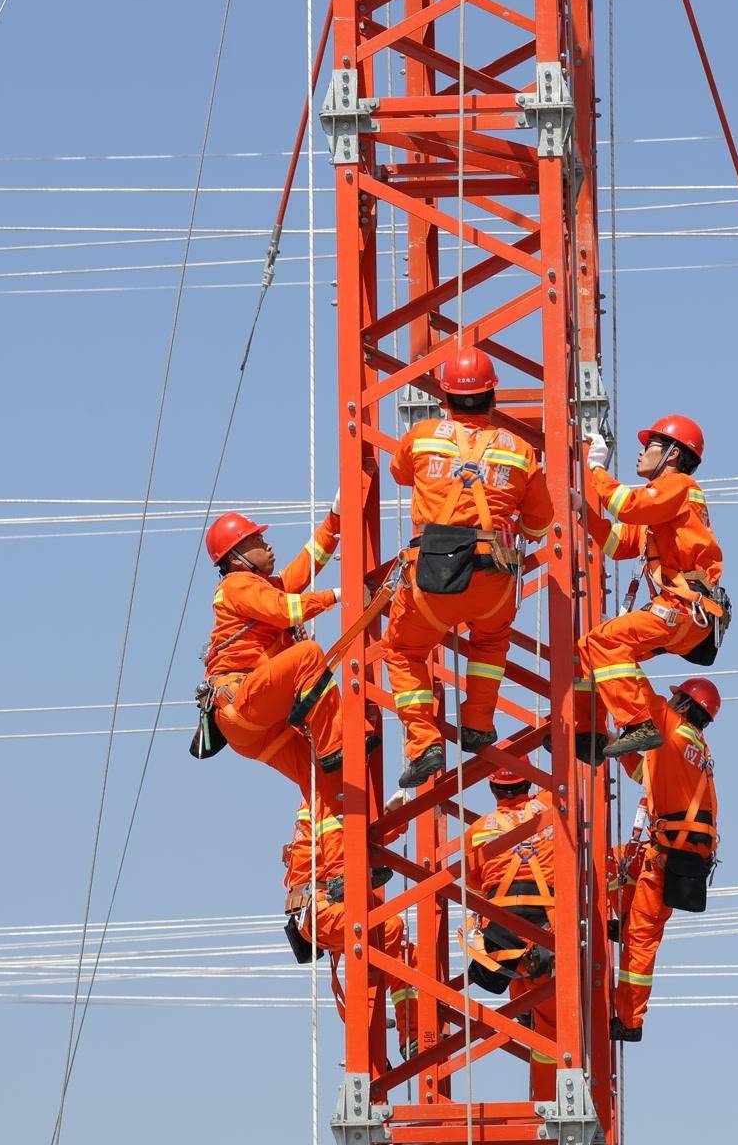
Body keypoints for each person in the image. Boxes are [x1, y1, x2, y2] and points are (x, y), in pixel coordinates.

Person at [384, 345, 554, 789]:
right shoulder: (519, 451)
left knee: (403, 651)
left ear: (445, 397)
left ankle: (424, 744)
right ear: (493, 397)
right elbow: (541, 522)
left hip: (432, 580)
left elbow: (400, 472)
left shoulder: (422, 436)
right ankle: (477, 723)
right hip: (492, 578)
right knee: (491, 641)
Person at [575, 414, 729, 764]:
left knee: (604, 641)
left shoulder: (678, 487)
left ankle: (639, 723)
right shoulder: (662, 508)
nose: (641, 453)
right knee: (589, 649)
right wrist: (583, 510)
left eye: (650, 446)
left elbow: (627, 506)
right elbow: (618, 542)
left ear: (673, 454)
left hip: (682, 607)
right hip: (686, 615)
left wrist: (596, 469)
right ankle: (591, 732)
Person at [198, 508, 347, 796]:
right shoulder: (237, 584)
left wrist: (335, 518)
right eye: (256, 540)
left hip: (258, 726)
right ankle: (335, 747)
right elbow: (285, 610)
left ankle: (339, 836)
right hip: (243, 700)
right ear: (234, 558)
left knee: (326, 786)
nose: (267, 545)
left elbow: (308, 563)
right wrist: (338, 595)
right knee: (307, 654)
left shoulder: (261, 587)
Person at [609, 678, 720, 1043]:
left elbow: (632, 687)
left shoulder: (672, 726)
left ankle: (629, 1020)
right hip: (683, 855)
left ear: (685, 705)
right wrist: (619, 751)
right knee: (617, 862)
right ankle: (621, 920)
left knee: (641, 941)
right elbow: (650, 776)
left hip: (668, 855)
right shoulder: (695, 749)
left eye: (676, 697)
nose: (669, 699)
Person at [281, 801, 416, 1058]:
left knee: (408, 956)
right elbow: (353, 838)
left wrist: (392, 816)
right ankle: (366, 1010)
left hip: (328, 907)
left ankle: (414, 1036)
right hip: (322, 908)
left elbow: (364, 835)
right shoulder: (325, 800)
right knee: (390, 927)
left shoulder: (331, 797)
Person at [462, 764, 560, 1098]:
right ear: (528, 784)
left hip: (503, 922)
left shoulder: (477, 830)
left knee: (511, 956)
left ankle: (524, 1007)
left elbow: (475, 882)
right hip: (548, 917)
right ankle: (551, 1100)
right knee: (551, 1016)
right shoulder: (549, 806)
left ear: (492, 790)